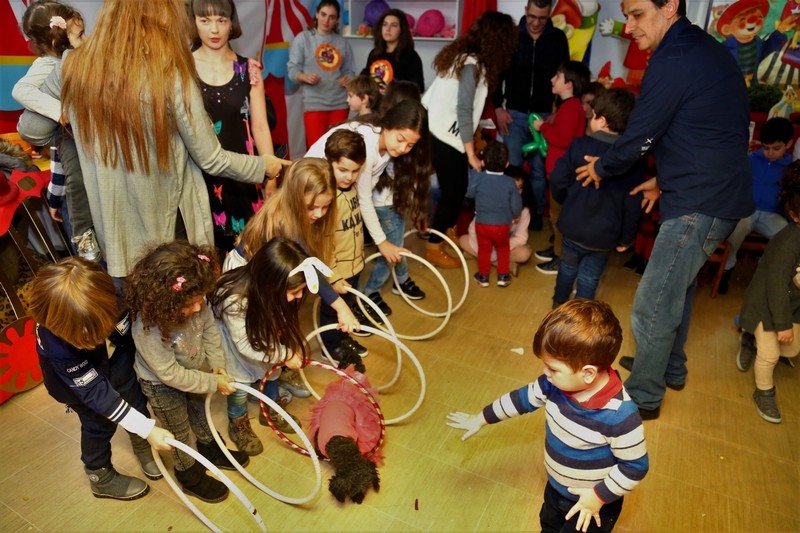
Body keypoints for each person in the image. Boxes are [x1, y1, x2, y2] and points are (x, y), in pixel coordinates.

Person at [576, 0, 754, 420]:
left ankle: (644, 398)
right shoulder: (702, 49)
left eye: (637, 14)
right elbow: (705, 128)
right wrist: (663, 179)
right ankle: (667, 366)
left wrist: (602, 165)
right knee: (679, 289)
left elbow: (642, 134)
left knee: (654, 301)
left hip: (701, 201)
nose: (629, 25)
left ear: (670, 6)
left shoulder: (674, 57)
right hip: (715, 194)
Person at [56, 0, 287, 279]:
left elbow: (32, 129)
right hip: (167, 227)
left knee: (139, 307)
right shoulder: (170, 71)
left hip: (115, 232)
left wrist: (63, 110)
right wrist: (265, 166)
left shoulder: (75, 65)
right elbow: (211, 157)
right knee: (177, 311)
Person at [447, 300, 648, 533]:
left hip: (591, 506)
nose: (545, 373)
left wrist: (598, 497)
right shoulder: (552, 385)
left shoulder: (620, 415)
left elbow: (635, 466)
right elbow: (519, 400)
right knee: (549, 526)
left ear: (588, 373)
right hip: (556, 489)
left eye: (552, 368)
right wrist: (480, 418)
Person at [28, 257, 174, 501]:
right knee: (99, 424)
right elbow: (97, 393)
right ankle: (100, 475)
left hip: (116, 358)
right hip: (77, 386)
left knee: (133, 397)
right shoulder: (58, 346)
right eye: (84, 337)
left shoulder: (117, 291)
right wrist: (148, 429)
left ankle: (141, 444)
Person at [128, 241, 250, 503]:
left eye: (200, 300)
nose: (198, 307)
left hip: (196, 371)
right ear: (165, 300)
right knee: (178, 431)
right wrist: (212, 381)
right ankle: (188, 474)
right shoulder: (148, 326)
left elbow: (210, 331)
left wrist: (217, 364)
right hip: (162, 385)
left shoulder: (196, 298)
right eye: (191, 303)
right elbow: (170, 374)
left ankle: (210, 449)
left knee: (201, 414)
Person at [229, 157, 360, 387]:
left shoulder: (299, 220)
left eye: (325, 206)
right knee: (260, 330)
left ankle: (280, 367)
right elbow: (307, 268)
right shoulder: (280, 226)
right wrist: (339, 305)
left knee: (279, 324)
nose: (319, 214)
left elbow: (307, 264)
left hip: (277, 279)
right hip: (249, 277)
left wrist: (334, 293)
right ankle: (266, 375)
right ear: (295, 199)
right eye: (312, 207)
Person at [306, 100, 431, 319]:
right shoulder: (366, 145)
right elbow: (364, 198)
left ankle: (347, 309)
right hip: (313, 192)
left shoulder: (383, 148)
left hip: (330, 197)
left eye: (410, 145)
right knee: (325, 261)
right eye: (400, 139)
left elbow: (358, 196)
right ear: (388, 124)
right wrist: (382, 243)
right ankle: (336, 316)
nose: (402, 149)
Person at [422, 11, 518, 269]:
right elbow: (464, 109)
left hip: (439, 130)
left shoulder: (464, 57)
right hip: (442, 134)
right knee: (455, 192)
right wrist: (472, 153)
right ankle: (433, 244)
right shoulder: (471, 64)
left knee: (455, 188)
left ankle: (446, 232)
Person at [209, 238, 316, 454]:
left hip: (266, 344)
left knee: (271, 376)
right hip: (238, 352)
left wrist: (279, 351)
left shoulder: (269, 291)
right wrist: (285, 355)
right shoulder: (235, 300)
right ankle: (238, 423)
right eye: (294, 292)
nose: (300, 296)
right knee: (240, 388)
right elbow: (246, 346)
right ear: (271, 284)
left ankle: (270, 410)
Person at [11, 0, 99, 262]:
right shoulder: (48, 65)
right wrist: (61, 112)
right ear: (55, 43)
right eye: (80, 35)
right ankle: (84, 237)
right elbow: (20, 91)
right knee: (75, 174)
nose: (86, 40)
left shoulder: (70, 66)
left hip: (74, 146)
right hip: (66, 140)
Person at [189, 0, 277, 255]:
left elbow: (260, 127)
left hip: (243, 177)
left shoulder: (249, 68)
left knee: (247, 255)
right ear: (194, 23)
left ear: (231, 24)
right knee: (203, 257)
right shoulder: (182, 66)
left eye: (221, 21)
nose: (214, 30)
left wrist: (270, 177)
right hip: (198, 178)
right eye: (205, 21)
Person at [550, 88, 644, 308]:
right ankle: (579, 317)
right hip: (604, 235)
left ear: (601, 121)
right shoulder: (633, 160)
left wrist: (566, 201)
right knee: (590, 278)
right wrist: (626, 237)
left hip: (573, 226)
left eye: (591, 116)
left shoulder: (579, 145)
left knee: (567, 268)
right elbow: (632, 204)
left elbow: (557, 179)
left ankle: (558, 306)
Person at [493, 0, 570, 231]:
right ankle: (515, 212)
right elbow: (497, 74)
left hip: (544, 116)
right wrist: (498, 107)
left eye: (542, 18)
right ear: (525, 11)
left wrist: (557, 112)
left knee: (538, 171)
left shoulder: (557, 39)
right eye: (532, 17)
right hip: (513, 115)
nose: (536, 23)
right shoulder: (512, 36)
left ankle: (536, 214)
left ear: (549, 16)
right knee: (514, 167)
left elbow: (564, 75)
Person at [736, 163, 800, 424]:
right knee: (771, 355)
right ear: (795, 216)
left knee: (791, 350)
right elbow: (775, 287)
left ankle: (750, 337)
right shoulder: (788, 243)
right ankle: (764, 391)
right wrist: (782, 325)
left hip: (792, 304)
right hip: (768, 305)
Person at [718, 117, 794, 294]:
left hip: (773, 214)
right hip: (747, 209)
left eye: (776, 148)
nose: (770, 153)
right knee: (738, 227)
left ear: (789, 144)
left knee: (785, 236)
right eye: (766, 148)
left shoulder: (790, 167)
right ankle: (727, 269)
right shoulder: (751, 159)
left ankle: (766, 275)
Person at [533, 60, 592, 275]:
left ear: (569, 84)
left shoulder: (570, 108)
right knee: (556, 216)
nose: (552, 79)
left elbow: (562, 138)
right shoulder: (568, 107)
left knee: (558, 217)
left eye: (557, 76)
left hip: (563, 174)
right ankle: (557, 249)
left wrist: (544, 127)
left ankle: (561, 258)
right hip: (560, 172)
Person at [317, 130, 371, 360]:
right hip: (336, 272)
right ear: (329, 163)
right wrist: (333, 276)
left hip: (354, 264)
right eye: (343, 170)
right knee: (331, 311)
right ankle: (331, 345)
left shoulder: (352, 189)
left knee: (348, 304)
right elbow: (324, 242)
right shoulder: (327, 199)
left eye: (355, 171)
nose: (349, 177)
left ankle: (342, 337)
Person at [288, 0, 354, 149]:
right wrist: (304, 77)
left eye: (332, 17)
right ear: (316, 14)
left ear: (337, 20)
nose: (326, 20)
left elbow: (350, 71)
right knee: (316, 150)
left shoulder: (342, 42)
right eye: (323, 14)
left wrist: (348, 79)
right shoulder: (303, 38)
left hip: (340, 103)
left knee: (338, 149)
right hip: (314, 104)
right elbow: (292, 71)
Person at [465, 141, 522, 288]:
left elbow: (470, 194)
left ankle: (483, 277)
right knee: (503, 249)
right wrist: (516, 215)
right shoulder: (510, 182)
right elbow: (516, 204)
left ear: (483, 162)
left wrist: (474, 173)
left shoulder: (478, 177)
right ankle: (503, 276)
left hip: (482, 223)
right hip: (502, 224)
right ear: (507, 164)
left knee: (484, 250)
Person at [459, 165, 533, 277]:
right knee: (463, 240)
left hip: (505, 247)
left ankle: (483, 259)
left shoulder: (524, 211)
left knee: (524, 254)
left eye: (518, 188)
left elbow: (521, 237)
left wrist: (498, 250)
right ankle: (502, 265)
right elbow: (474, 229)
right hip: (484, 244)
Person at [361, 8, 424, 93]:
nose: (388, 29)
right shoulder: (374, 53)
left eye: (393, 25)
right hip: (376, 104)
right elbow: (366, 77)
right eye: (385, 24)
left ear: (402, 30)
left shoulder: (411, 56)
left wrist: (393, 90)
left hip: (399, 105)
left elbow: (418, 87)